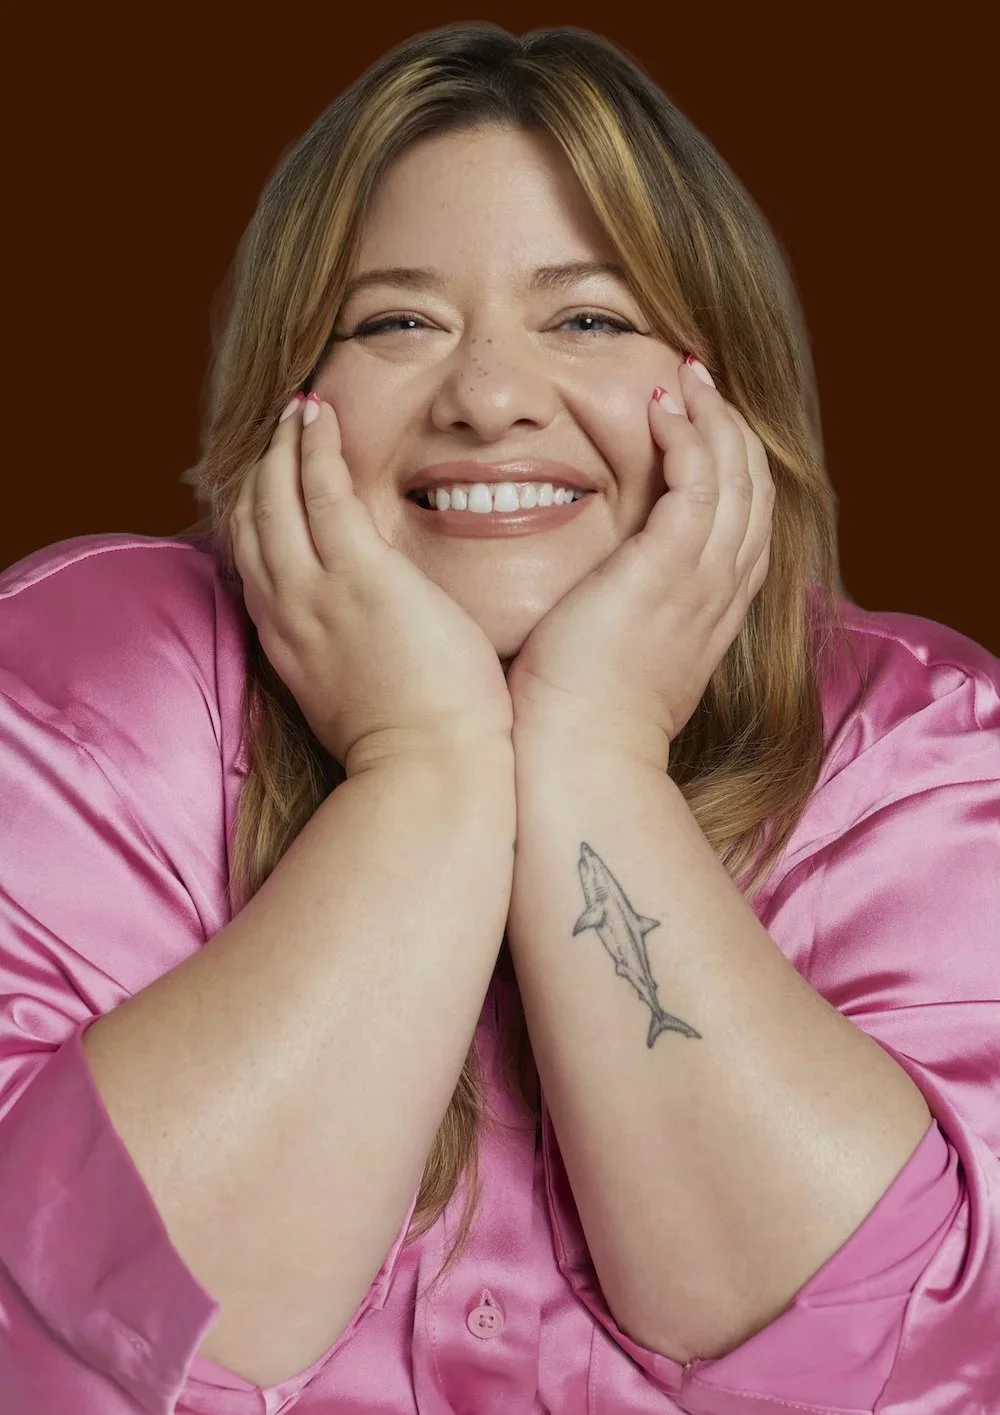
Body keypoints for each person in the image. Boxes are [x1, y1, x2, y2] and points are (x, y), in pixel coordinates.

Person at [0, 21, 997, 1415]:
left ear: (725, 384)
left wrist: (595, 747)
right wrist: (422, 764)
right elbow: (67, 1336)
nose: (487, 398)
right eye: (395, 322)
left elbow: (896, 1352)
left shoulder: (925, 749)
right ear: (293, 394)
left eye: (589, 319)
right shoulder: (82, 687)